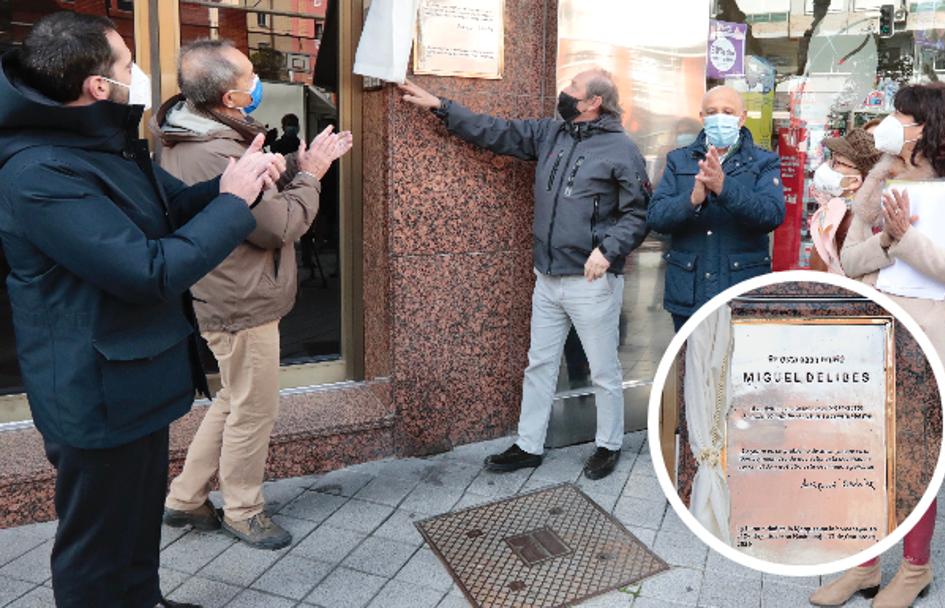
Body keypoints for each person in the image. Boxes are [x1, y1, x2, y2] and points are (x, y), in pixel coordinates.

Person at [0, 13, 282, 608]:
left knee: (134, 528)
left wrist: (235, 182)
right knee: (97, 545)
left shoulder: (100, 140)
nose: (143, 73)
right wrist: (234, 205)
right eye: (129, 63)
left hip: (136, 378)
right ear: (99, 87)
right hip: (94, 391)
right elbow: (148, 271)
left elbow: (170, 208)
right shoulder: (39, 170)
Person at [398, 69, 649, 480]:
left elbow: (638, 213)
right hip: (547, 278)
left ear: (593, 103)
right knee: (539, 364)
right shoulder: (552, 133)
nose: (563, 93)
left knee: (603, 370)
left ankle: (609, 445)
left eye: (573, 89)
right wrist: (442, 108)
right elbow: (497, 130)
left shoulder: (621, 149)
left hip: (591, 282)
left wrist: (608, 251)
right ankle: (529, 445)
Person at [154, 39, 352, 550]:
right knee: (253, 410)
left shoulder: (188, 136)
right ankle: (244, 509)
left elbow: (257, 188)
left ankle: (184, 498)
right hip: (240, 302)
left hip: (224, 295)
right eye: (248, 78)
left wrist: (287, 165)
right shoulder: (216, 152)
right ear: (230, 99)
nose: (256, 84)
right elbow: (280, 224)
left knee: (232, 400)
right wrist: (312, 173)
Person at [810, 82, 945, 607]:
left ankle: (915, 568)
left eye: (900, 116)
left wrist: (907, 238)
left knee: (916, 459)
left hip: (926, 343)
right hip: (869, 335)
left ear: (929, 125)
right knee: (863, 454)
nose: (889, 124)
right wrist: (886, 239)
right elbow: (854, 261)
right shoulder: (882, 177)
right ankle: (864, 564)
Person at [647, 85, 785, 331]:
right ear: (702, 117)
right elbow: (656, 218)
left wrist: (724, 188)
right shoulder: (678, 160)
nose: (720, 117)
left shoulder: (765, 161)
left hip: (741, 289)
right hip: (689, 291)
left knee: (737, 366)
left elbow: (771, 215)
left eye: (728, 111)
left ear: (742, 117)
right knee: (692, 366)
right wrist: (691, 201)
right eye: (712, 111)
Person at [807, 128, 880, 273]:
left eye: (837, 163)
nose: (827, 167)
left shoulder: (867, 223)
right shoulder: (837, 211)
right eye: (831, 158)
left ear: (854, 181)